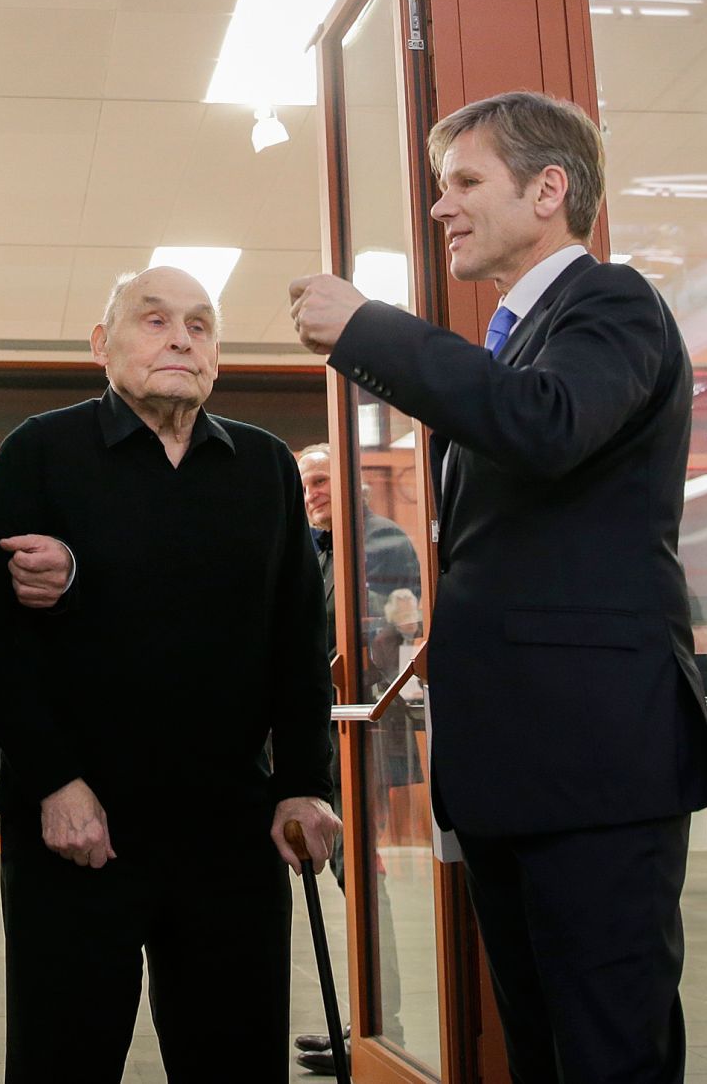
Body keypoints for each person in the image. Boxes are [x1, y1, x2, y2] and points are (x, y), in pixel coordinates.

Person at [288, 90, 707, 1084]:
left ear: (548, 189)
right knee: (537, 1046)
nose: (442, 205)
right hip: (519, 767)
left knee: (605, 1048)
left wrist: (371, 329)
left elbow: (545, 422)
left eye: (463, 182)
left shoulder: (608, 302)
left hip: (595, 761)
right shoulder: (509, 340)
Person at [0, 265, 339, 1083]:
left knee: (234, 1061)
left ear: (216, 357)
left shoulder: (265, 467)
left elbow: (299, 643)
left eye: (200, 327)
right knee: (64, 1059)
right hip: (76, 827)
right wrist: (54, 780)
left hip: (230, 828)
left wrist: (307, 784)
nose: (181, 339)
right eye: (155, 320)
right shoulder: (40, 452)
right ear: (104, 344)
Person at [291, 450, 410, 1062]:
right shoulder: (322, 547)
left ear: (351, 485)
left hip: (363, 740)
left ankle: (377, 1027)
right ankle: (364, 1024)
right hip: (329, 740)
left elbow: (383, 642)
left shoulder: (381, 546)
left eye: (319, 482)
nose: (310, 494)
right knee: (351, 880)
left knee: (364, 880)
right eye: (304, 483)